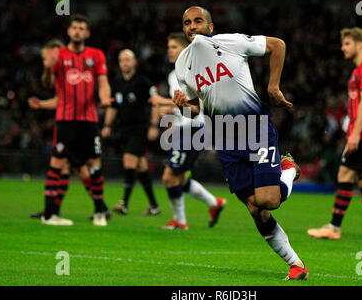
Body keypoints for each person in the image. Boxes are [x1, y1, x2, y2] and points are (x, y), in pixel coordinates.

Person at [171, 6, 308, 280]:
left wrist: (273, 86)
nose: (192, 26)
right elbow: (199, 107)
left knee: (269, 200)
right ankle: (297, 266)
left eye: (198, 21)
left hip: (254, 128)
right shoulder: (182, 64)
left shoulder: (230, 42)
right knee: (256, 208)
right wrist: (186, 105)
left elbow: (277, 45)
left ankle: (289, 169)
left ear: (211, 28)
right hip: (223, 137)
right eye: (187, 22)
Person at [307, 27, 362, 243]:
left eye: (347, 43)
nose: (342, 47)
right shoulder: (357, 71)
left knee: (345, 175)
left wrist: (354, 134)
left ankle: (334, 227)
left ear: (359, 44)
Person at [34, 14, 112, 226]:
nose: (77, 31)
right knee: (57, 163)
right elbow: (49, 84)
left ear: (87, 32)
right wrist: (49, 67)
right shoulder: (58, 54)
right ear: (69, 31)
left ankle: (99, 212)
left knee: (94, 164)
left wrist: (105, 99)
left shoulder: (96, 55)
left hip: (89, 120)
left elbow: (103, 82)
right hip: (66, 120)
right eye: (74, 27)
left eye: (81, 28)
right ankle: (50, 215)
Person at [149, 32, 227, 230]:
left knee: (169, 177)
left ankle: (180, 221)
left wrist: (162, 101)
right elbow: (183, 104)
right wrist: (170, 108)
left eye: (174, 47)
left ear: (185, 49)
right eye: (168, 47)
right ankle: (214, 203)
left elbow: (197, 102)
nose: (170, 50)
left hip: (192, 130)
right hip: (183, 128)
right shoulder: (173, 73)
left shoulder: (190, 71)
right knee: (181, 178)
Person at [101, 49, 161, 216]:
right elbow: (113, 106)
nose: (124, 63)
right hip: (123, 129)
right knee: (140, 166)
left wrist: (154, 126)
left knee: (129, 160)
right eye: (121, 60)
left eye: (127, 59)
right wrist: (107, 125)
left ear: (134, 62)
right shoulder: (117, 82)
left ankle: (124, 203)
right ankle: (154, 206)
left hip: (139, 129)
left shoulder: (143, 82)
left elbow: (155, 103)